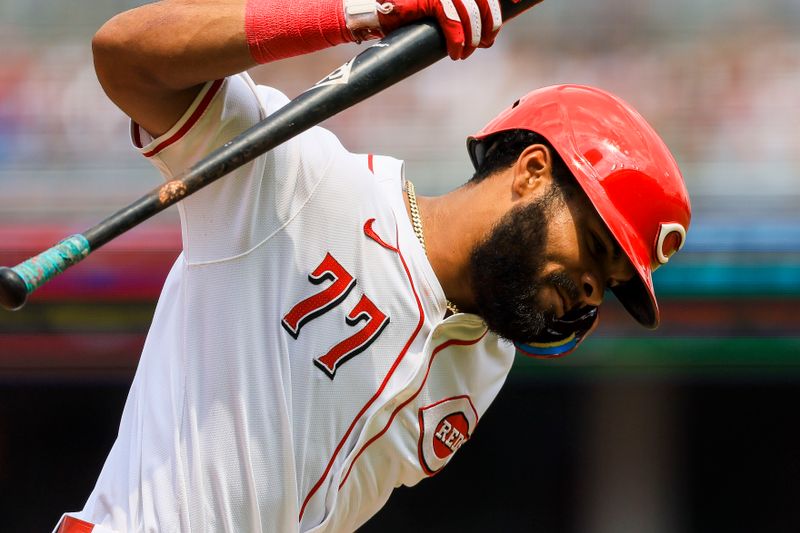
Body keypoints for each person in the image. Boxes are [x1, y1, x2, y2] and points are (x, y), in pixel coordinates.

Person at [55, 0, 691, 531]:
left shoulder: (486, 363)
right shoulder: (302, 180)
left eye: (609, 286)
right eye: (597, 246)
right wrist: (362, 13)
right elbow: (125, 56)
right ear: (532, 171)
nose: (590, 290)